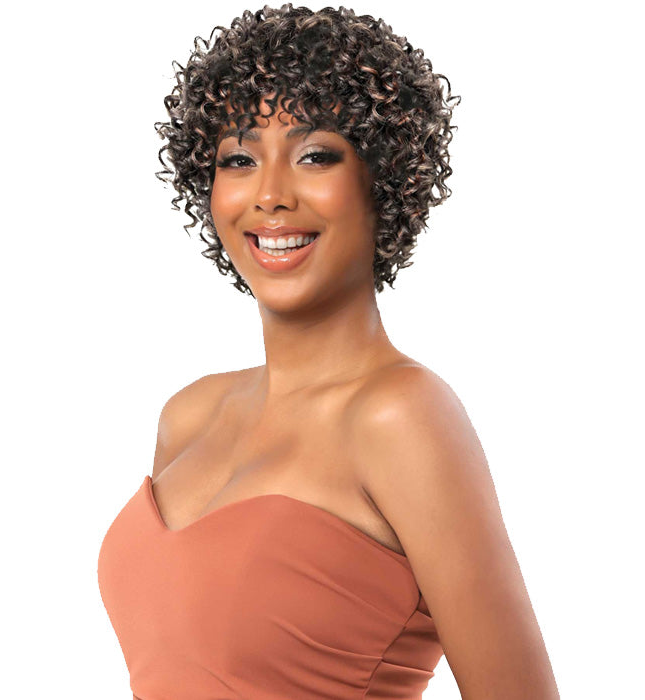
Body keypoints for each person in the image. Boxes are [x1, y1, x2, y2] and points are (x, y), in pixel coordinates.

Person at [97, 4, 560, 699]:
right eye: (239, 159)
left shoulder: (401, 416)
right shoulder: (189, 416)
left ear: (386, 178)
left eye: (315, 155)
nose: (270, 195)